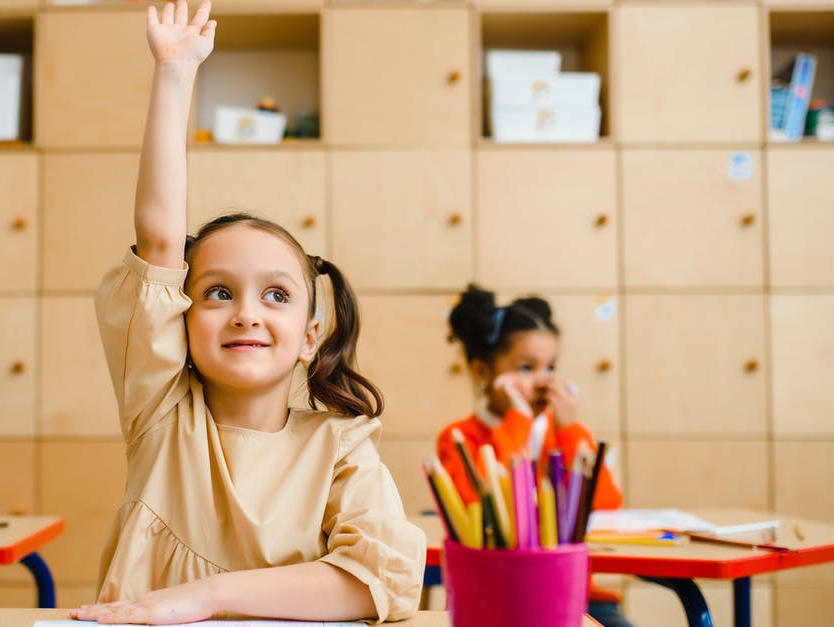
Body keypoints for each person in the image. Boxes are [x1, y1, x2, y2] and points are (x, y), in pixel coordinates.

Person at [70, 2, 424, 624]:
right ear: (179, 316)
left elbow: (377, 580)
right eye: (217, 293)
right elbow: (158, 241)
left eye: (277, 296)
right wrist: (173, 75)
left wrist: (204, 599)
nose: (245, 315)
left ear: (310, 336)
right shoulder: (161, 412)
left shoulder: (341, 447)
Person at [438, 284, 632, 627]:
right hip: (495, 597)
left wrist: (571, 430)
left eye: (550, 367)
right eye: (526, 368)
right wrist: (518, 420)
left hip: (573, 597)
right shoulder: (461, 438)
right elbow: (487, 507)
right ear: (483, 371)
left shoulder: (566, 432)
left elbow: (605, 508)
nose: (544, 381)